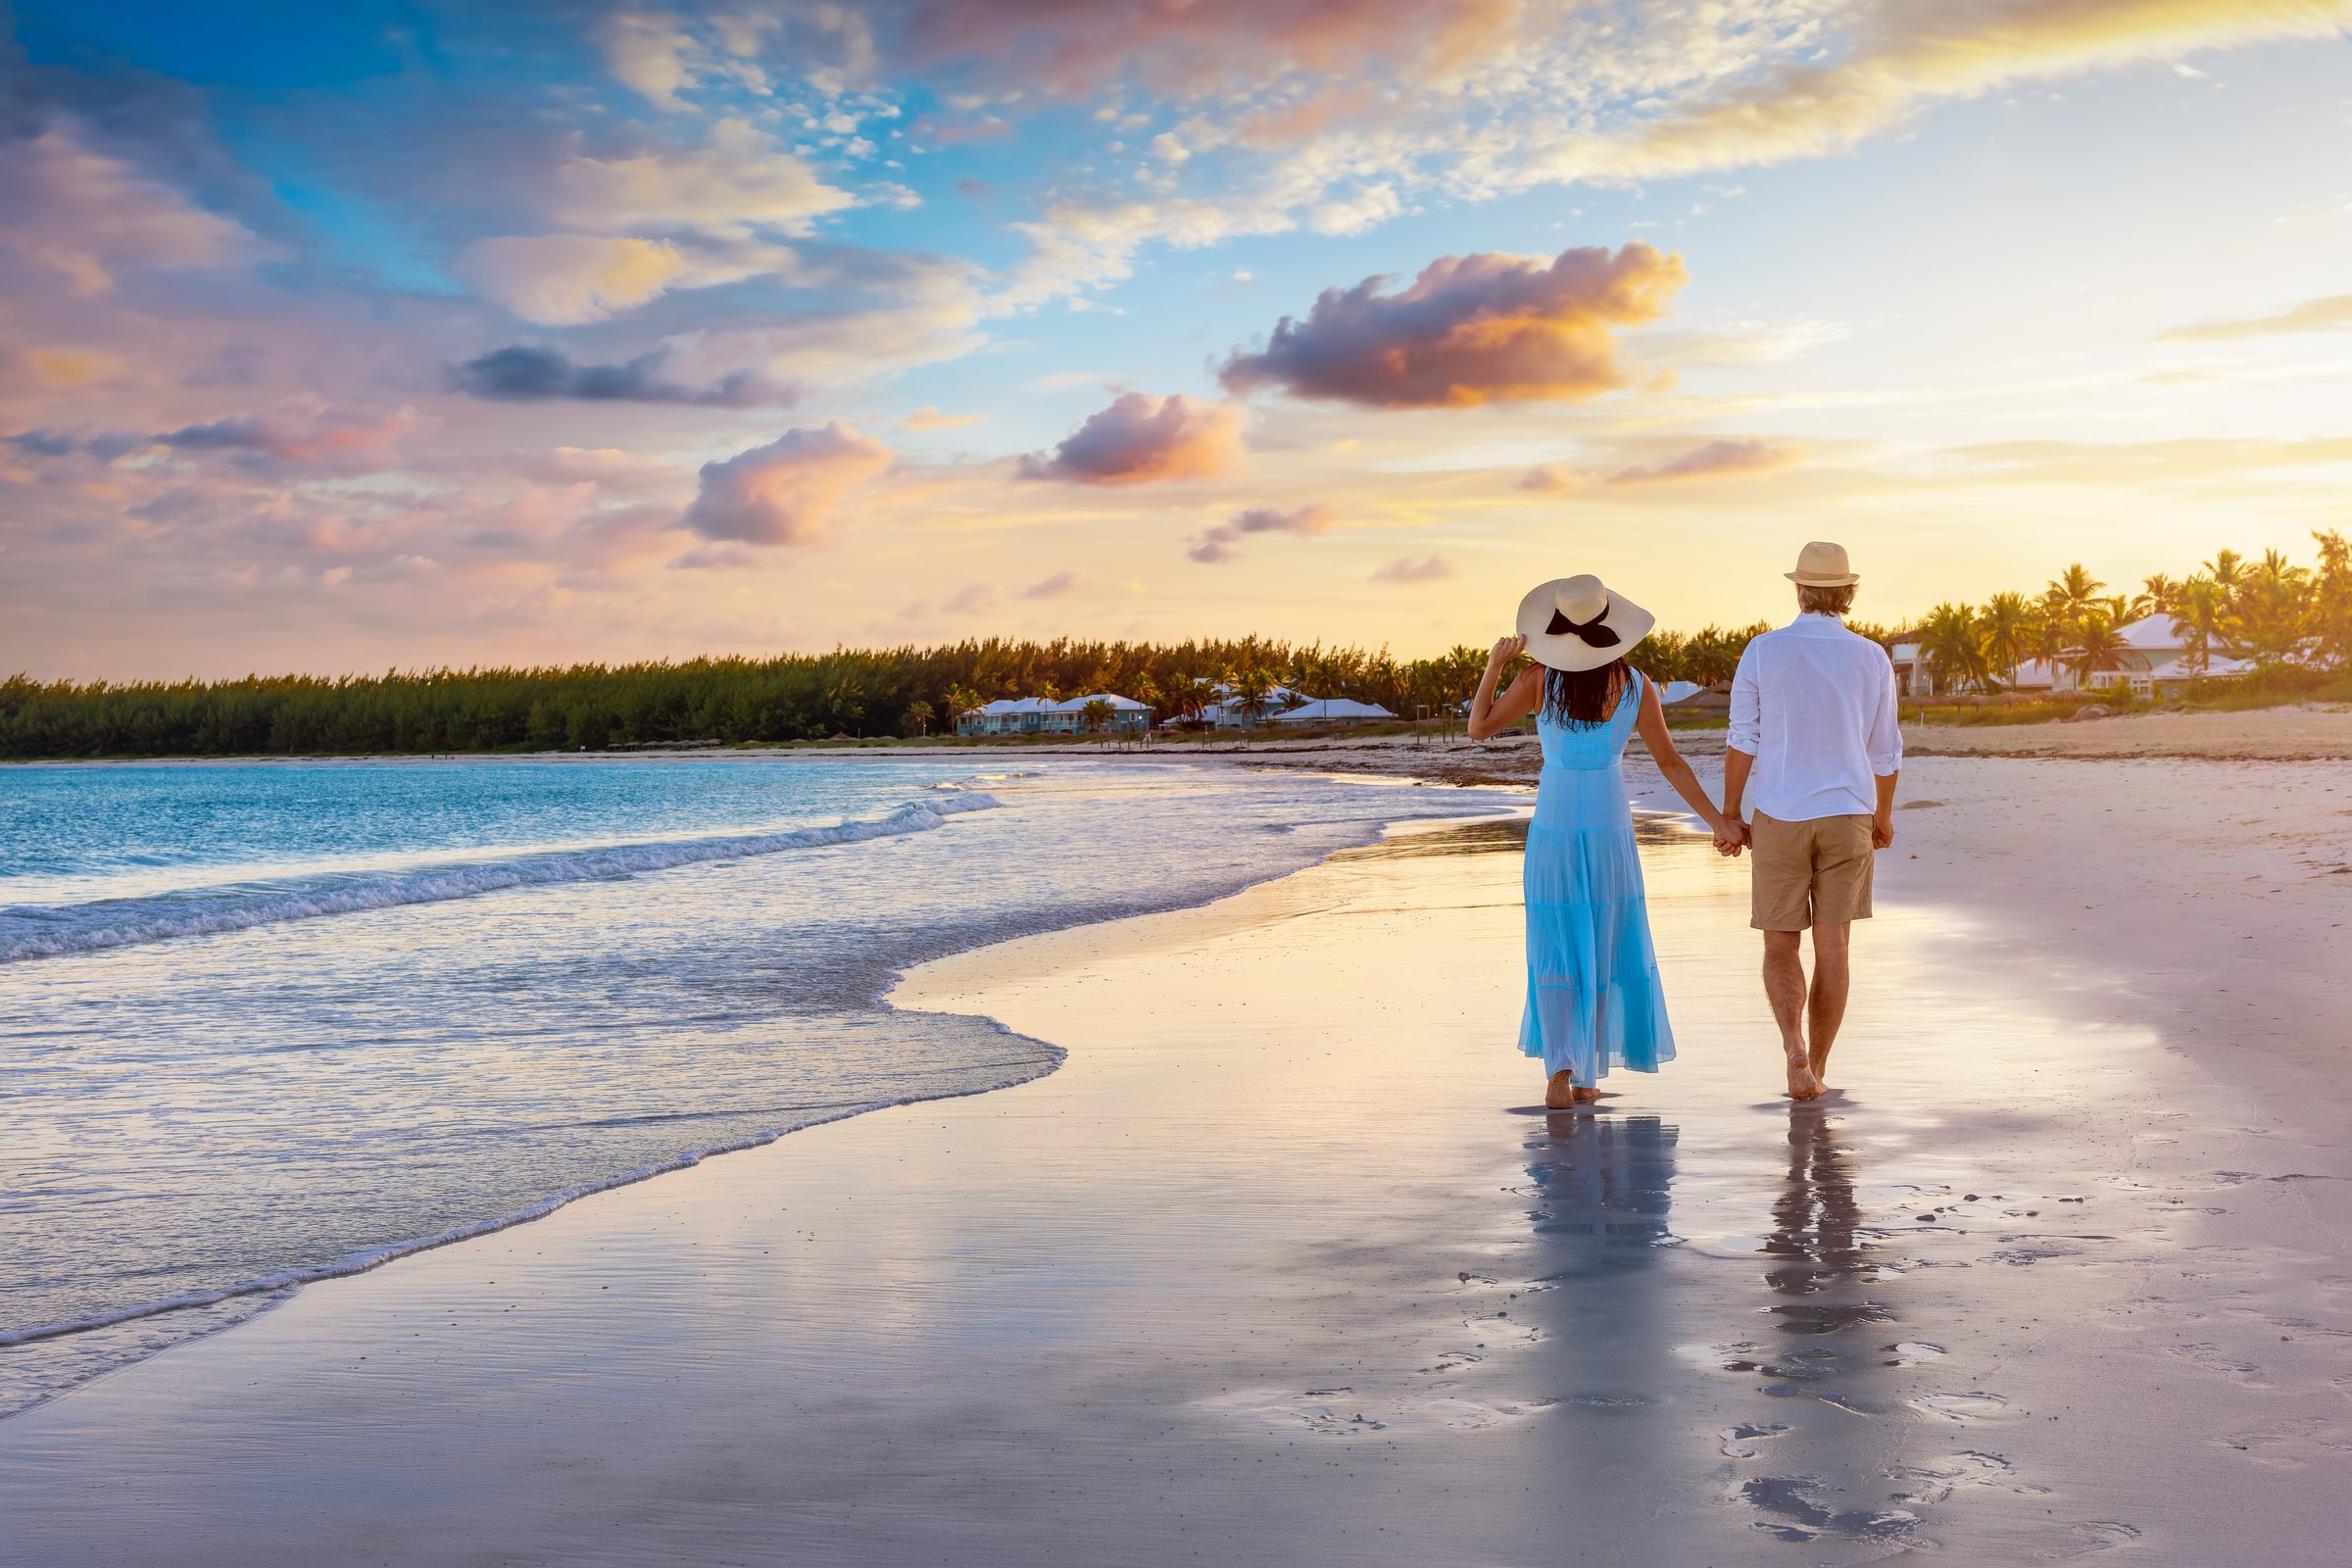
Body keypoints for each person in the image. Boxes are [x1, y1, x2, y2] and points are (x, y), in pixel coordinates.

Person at [1469, 574, 1747, 1110]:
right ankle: (1587, 1074)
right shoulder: (1637, 684)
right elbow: (1671, 763)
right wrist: (1719, 822)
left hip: (1554, 826)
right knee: (1604, 945)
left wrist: (1494, 665)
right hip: (1610, 825)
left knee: (1554, 944)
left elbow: (1478, 728)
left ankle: (1560, 1068)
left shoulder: (1536, 679)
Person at [1720, 541, 1902, 1102]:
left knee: (1780, 944)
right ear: (1848, 593)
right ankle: (1817, 1068)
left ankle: (1794, 1048)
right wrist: (1883, 815)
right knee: (1834, 947)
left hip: (1779, 812)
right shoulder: (1871, 656)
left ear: (1799, 590)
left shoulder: (1763, 650)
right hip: (1848, 813)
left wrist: (1730, 813)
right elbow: (1886, 750)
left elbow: (1743, 739)